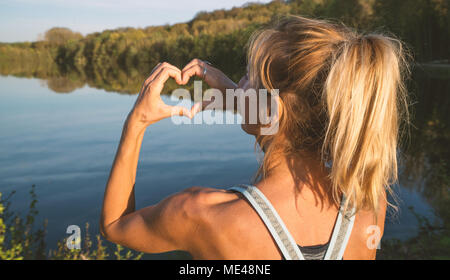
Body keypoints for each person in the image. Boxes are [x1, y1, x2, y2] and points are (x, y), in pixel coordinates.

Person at [100, 15, 409, 260]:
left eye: (248, 77)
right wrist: (242, 96)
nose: (240, 82)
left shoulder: (201, 214)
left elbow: (115, 226)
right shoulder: (369, 203)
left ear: (272, 111)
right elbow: (280, 114)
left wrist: (136, 122)